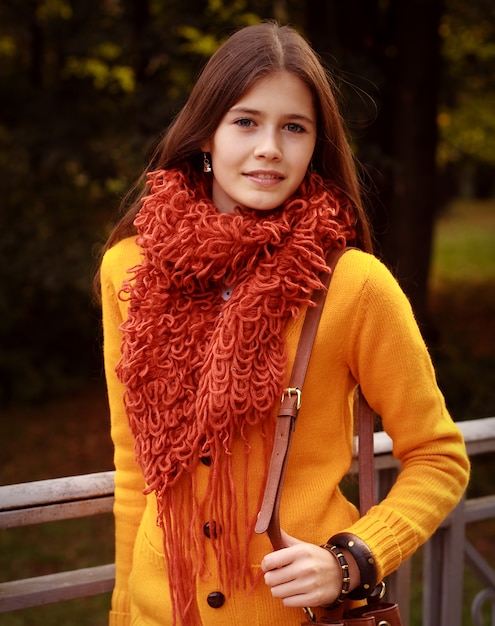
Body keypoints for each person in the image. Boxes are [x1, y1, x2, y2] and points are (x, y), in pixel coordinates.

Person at [99, 21, 470, 626]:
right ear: (205, 137)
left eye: (293, 127)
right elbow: (134, 465)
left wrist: (353, 558)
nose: (269, 147)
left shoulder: (354, 285)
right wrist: (121, 611)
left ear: (315, 146)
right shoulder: (128, 271)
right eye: (246, 121)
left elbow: (438, 454)